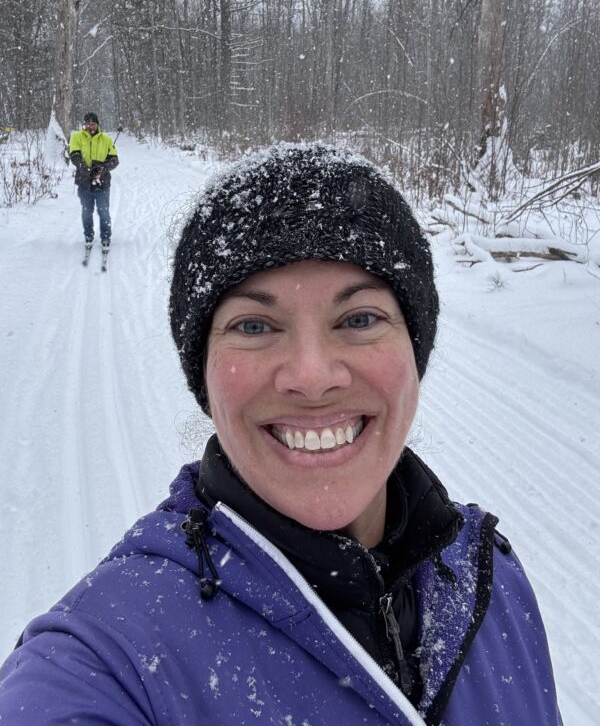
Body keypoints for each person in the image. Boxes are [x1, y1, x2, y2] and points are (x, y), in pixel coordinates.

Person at [0, 144, 562, 725]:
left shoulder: (490, 581)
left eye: (360, 319)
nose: (313, 377)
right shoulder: (111, 659)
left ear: (414, 351)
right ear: (205, 373)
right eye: (254, 325)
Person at [69, 112, 119, 250]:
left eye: (93, 123)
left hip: (102, 184)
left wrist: (103, 168)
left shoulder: (107, 140)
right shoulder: (76, 137)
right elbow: (74, 156)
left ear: (97, 124)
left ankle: (106, 237)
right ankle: (89, 235)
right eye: (88, 123)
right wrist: (86, 170)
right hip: (84, 183)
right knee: (87, 211)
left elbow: (115, 160)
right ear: (84, 124)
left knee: (104, 212)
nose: (90, 126)